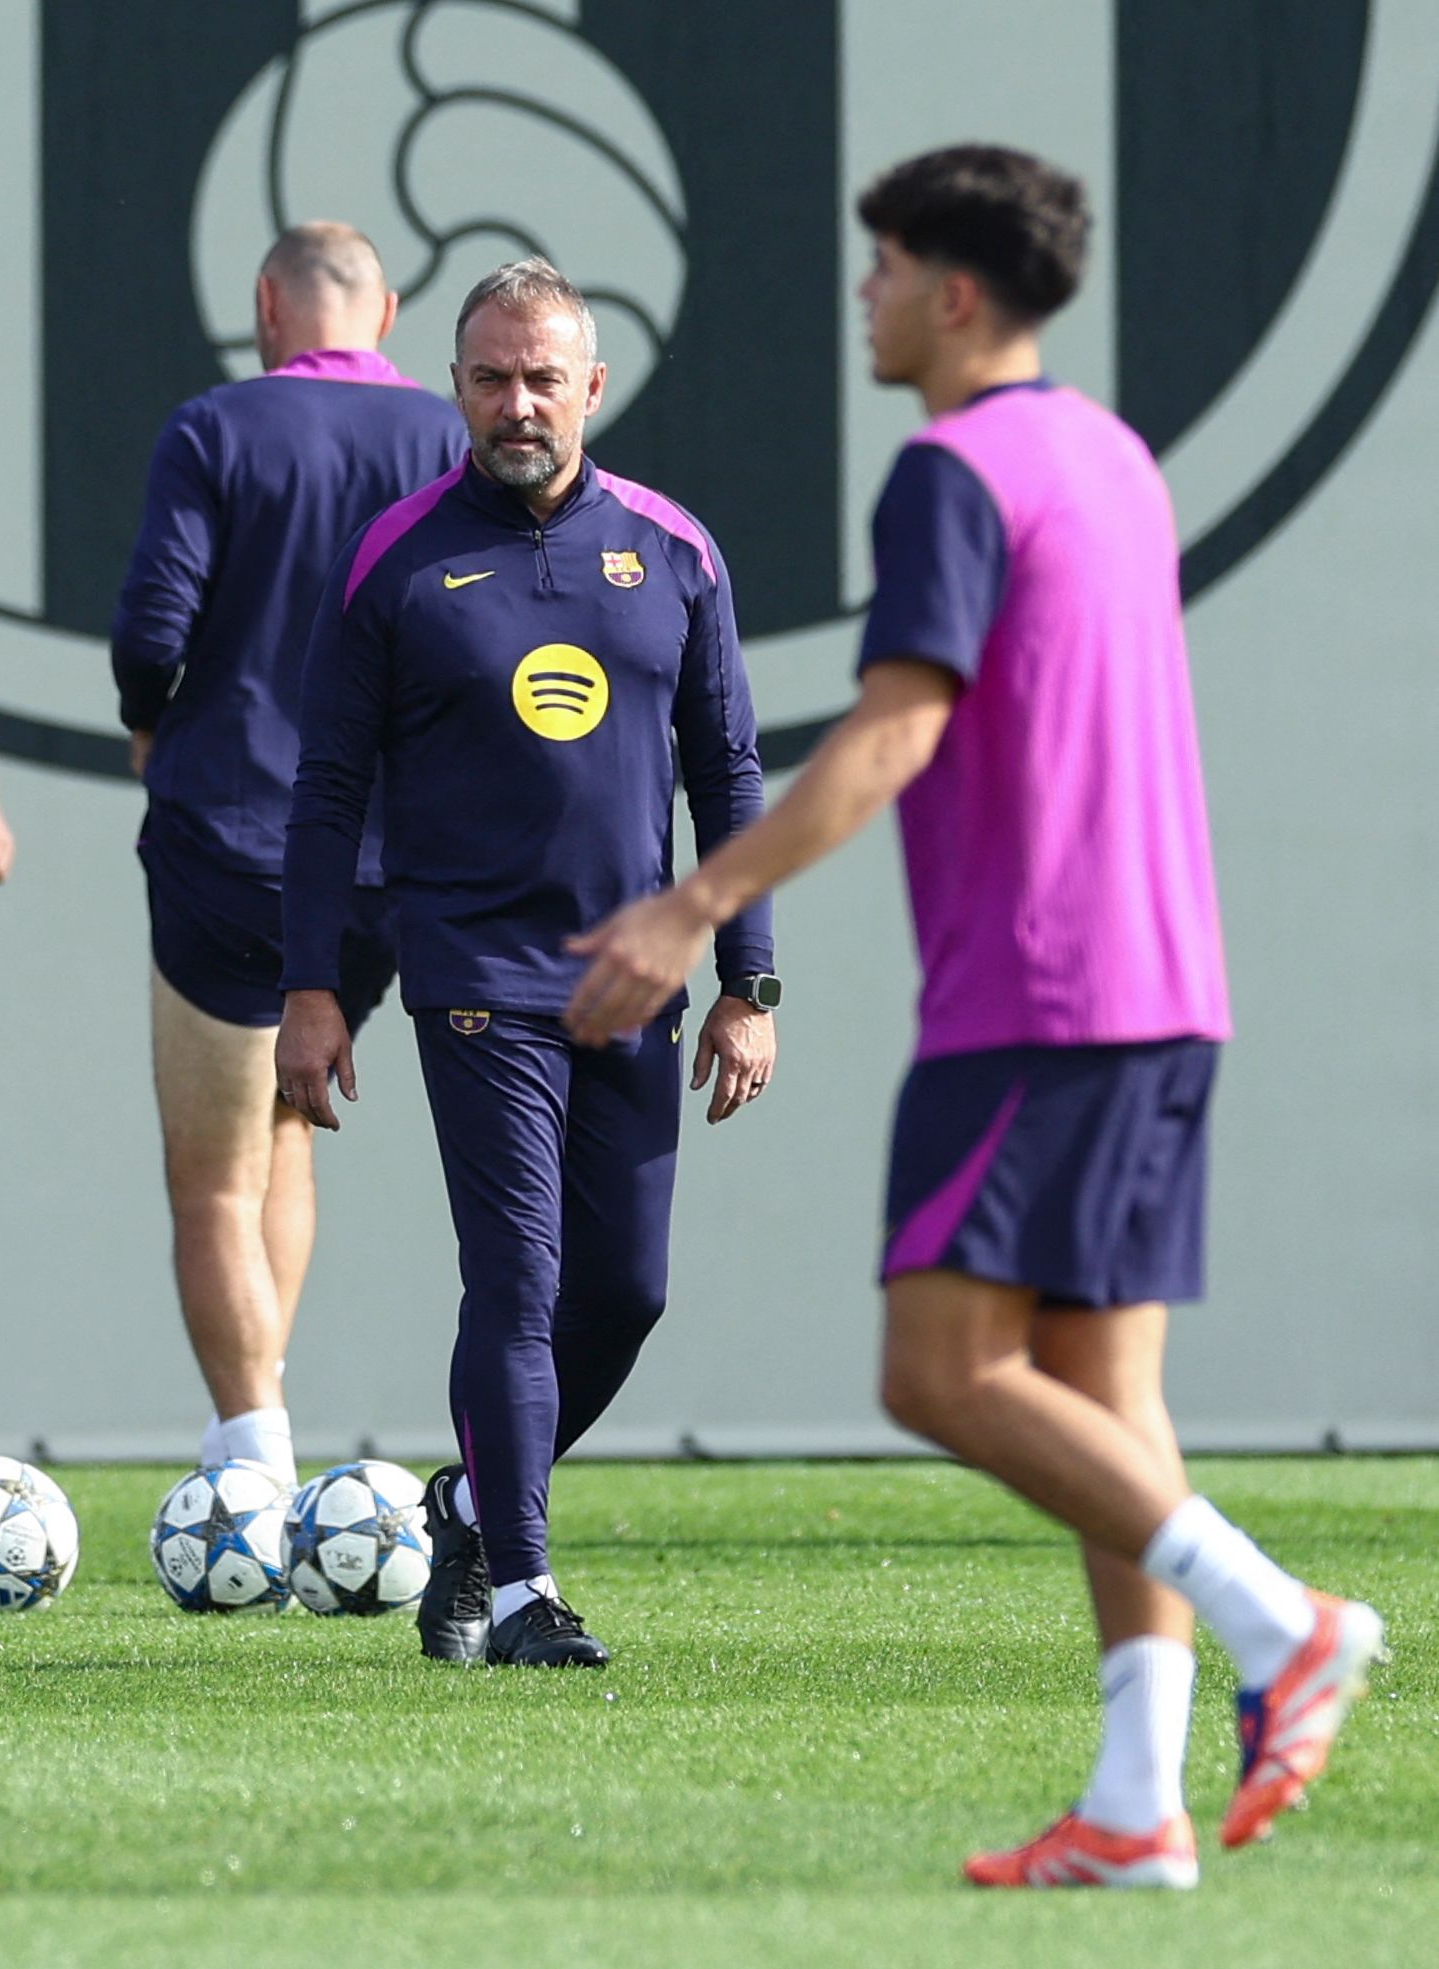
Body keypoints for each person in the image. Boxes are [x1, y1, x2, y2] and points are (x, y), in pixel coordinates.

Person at [563, 145, 1384, 1884]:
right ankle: (1137, 1801)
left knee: (938, 1370)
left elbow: (894, 729)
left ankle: (1281, 1621)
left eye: (881, 268)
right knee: (1103, 1396)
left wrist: (694, 905)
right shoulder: (1112, 454)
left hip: (1041, 988)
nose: (861, 295)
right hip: (1166, 984)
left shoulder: (951, 471)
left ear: (951, 293)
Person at [276, 256, 778, 1670]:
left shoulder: (672, 550)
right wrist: (310, 987)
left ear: (591, 388)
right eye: (491, 378)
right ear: (452, 385)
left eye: (542, 378)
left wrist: (747, 979)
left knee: (624, 1294)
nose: (517, 404)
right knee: (516, 1278)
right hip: (474, 974)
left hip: (635, 979)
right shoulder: (394, 557)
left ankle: (466, 1506)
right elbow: (325, 790)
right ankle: (521, 1595)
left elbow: (728, 772)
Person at [110, 221, 464, 1494]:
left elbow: (151, 628)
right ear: (388, 313)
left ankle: (252, 1448)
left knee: (214, 1176)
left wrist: (150, 722)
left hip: (232, 835)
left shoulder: (214, 427)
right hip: (385, 857)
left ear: (267, 305)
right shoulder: (447, 435)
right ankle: (258, 1430)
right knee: (286, 1130)